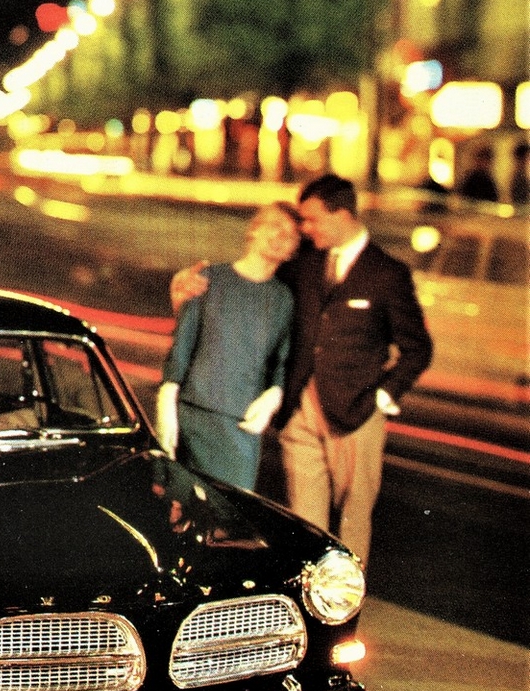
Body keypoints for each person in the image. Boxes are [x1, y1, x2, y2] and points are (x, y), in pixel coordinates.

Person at [171, 174, 432, 567]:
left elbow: (418, 349)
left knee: (353, 518)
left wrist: (382, 397)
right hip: (300, 413)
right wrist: (185, 286)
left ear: (341, 215)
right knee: (304, 522)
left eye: (312, 220)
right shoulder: (306, 262)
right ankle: (309, 592)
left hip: (356, 413)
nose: (305, 229)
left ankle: (344, 595)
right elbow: (252, 282)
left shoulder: (387, 273)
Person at [156, 203, 300, 490]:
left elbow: (282, 360)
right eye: (275, 225)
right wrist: (168, 396)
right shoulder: (209, 280)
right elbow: (183, 345)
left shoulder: (283, 299)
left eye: (291, 234)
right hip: (192, 416)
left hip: (240, 426)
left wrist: (274, 394)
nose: (281, 236)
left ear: (293, 250)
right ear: (254, 229)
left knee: (230, 510)